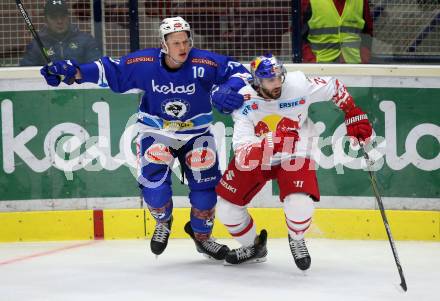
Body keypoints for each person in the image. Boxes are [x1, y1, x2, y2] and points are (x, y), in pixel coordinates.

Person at [40, 16, 251, 260]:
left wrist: (229, 88)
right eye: (176, 43)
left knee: (205, 193)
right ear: (163, 44)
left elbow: (241, 72)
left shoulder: (204, 61)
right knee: (156, 193)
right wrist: (72, 71)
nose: (183, 48)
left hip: (197, 134)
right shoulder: (144, 63)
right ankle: (164, 221)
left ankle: (202, 237)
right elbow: (108, 71)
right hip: (156, 132)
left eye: (185, 41)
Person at [215, 54, 372, 268]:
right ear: (257, 81)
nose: (277, 83)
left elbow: (334, 86)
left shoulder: (298, 84)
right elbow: (243, 154)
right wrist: (274, 141)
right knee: (227, 210)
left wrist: (352, 112)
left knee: (300, 204)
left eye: (279, 77)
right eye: (271, 80)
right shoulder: (243, 99)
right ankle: (254, 247)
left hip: (295, 150)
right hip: (257, 154)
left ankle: (296, 238)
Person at [20, 0, 101, 66]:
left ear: (69, 17)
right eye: (54, 17)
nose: (59, 21)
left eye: (63, 16)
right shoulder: (37, 45)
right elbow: (25, 72)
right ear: (46, 20)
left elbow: (97, 67)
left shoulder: (85, 40)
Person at [301, 0, 373, 64]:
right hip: (321, 68)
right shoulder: (309, 2)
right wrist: (311, 60)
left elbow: (367, 32)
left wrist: (364, 58)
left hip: (354, 67)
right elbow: (299, 36)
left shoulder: (361, 2)